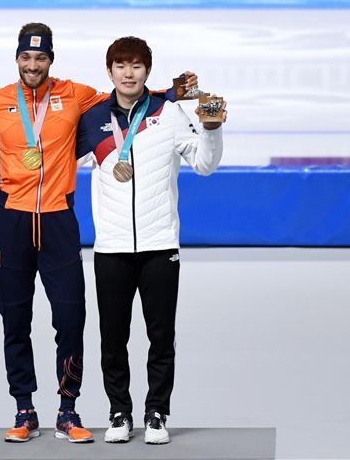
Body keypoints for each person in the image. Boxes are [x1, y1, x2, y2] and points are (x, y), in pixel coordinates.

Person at [0, 23, 196, 444]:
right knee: (14, 320)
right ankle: (24, 408)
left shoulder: (77, 96)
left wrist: (172, 94)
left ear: (51, 60)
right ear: (17, 58)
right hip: (10, 221)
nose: (33, 64)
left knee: (71, 319)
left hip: (59, 218)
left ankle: (67, 409)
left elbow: (129, 102)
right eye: (26, 57)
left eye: (41, 58)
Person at [75, 36, 224, 444]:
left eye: (136, 65)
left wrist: (211, 130)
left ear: (147, 71)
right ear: (109, 72)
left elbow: (205, 164)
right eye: (120, 66)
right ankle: (119, 412)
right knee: (113, 337)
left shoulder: (170, 113)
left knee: (161, 336)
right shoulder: (93, 120)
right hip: (112, 248)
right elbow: (55, 161)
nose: (128, 73)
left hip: (160, 245)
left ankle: (157, 412)